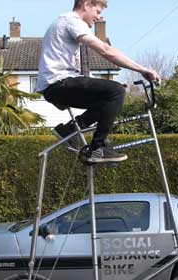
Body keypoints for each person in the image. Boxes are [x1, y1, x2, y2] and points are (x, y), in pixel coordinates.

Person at [36, 0, 160, 164]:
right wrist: (143, 69)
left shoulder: (65, 24)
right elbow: (106, 50)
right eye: (98, 11)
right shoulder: (71, 21)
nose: (99, 17)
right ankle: (97, 148)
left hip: (56, 85)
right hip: (58, 84)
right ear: (86, 5)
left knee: (109, 98)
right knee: (115, 91)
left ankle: (70, 129)